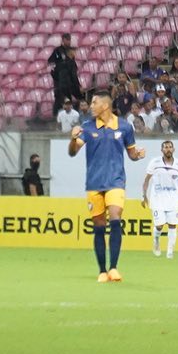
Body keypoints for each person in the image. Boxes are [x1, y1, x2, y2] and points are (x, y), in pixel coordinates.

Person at [68, 89, 146, 283]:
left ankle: (114, 268)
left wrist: (138, 155)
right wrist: (72, 139)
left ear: (105, 106)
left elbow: (131, 154)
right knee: (99, 227)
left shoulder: (125, 127)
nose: (90, 106)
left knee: (115, 217)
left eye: (94, 103)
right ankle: (102, 270)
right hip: (94, 183)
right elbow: (73, 152)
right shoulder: (87, 127)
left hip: (116, 182)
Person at [142, 140, 178, 259]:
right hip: (158, 199)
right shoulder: (155, 162)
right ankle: (156, 241)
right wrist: (144, 196)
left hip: (173, 199)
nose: (168, 149)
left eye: (170, 147)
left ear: (173, 149)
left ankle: (170, 252)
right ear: (162, 150)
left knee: (173, 225)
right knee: (159, 225)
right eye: (165, 147)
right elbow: (146, 180)